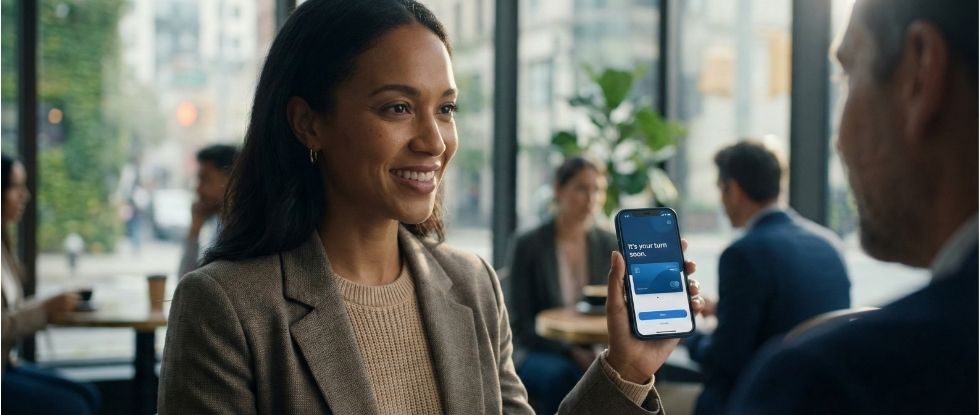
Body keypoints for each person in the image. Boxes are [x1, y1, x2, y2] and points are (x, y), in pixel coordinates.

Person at [158, 1, 705, 414]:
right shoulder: (226, 306)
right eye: (397, 107)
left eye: (445, 108)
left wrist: (628, 367)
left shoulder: (472, 284)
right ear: (308, 122)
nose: (435, 140)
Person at [727, 0, 977, 413]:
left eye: (847, 75)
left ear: (921, 71)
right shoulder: (824, 243)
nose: (838, 138)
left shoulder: (828, 384)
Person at [682, 141, 851, 415]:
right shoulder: (828, 243)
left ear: (733, 189)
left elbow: (726, 360)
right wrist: (723, 310)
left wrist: (687, 336)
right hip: (821, 401)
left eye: (720, 190)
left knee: (647, 398)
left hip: (757, 402)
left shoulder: (743, 254)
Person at [504, 156, 618, 413]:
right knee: (565, 377)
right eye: (581, 188)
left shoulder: (607, 243)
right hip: (538, 347)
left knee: (614, 375)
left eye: (597, 190)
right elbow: (521, 322)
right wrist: (570, 350)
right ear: (558, 189)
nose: (591, 199)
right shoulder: (529, 244)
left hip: (595, 346)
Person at [1, 154, 101, 415]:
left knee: (88, 394)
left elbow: (10, 310)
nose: (25, 195)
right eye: (15, 187)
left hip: (8, 365)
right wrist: (43, 310)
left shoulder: (4, 245)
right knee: (75, 406)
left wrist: (52, 303)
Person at [177, 144, 238, 278]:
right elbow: (187, 285)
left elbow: (189, 288)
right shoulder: (219, 227)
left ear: (232, 182)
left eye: (205, 179)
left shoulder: (243, 237)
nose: (198, 189)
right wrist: (194, 230)